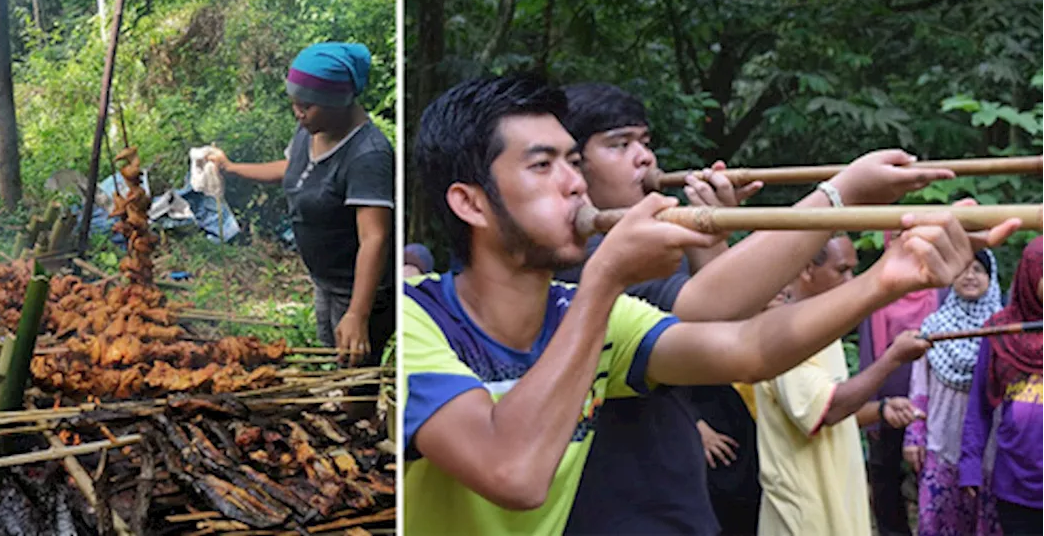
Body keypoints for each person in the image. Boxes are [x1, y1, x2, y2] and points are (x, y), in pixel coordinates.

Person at [401, 76, 1016, 535]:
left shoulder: (587, 311)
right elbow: (513, 473)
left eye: (571, 161)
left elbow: (748, 348)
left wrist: (890, 277)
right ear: (472, 204)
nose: (575, 182)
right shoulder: (416, 320)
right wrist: (606, 275)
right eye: (544, 165)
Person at [555, 81, 946, 534]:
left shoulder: (648, 246)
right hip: (623, 506)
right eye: (619, 145)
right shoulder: (588, 261)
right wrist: (840, 197)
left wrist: (713, 235)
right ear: (573, 169)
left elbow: (731, 325)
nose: (645, 157)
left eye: (644, 142)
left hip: (683, 495)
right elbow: (715, 313)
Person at [208, 42, 394, 366]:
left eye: (306, 105)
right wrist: (232, 167)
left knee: (354, 377)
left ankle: (357, 415)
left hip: (358, 290)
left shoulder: (368, 155)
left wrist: (357, 313)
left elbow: (374, 237)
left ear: (339, 101)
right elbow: (291, 170)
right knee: (334, 359)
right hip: (325, 279)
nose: (298, 112)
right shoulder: (311, 128)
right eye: (294, 103)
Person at [754, 235, 929, 536]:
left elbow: (821, 409)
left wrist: (880, 409)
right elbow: (828, 409)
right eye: (842, 270)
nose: (851, 280)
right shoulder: (786, 331)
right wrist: (892, 358)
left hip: (836, 504)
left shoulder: (821, 327)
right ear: (807, 269)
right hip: (806, 514)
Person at [905, 249, 1003, 536]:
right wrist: (915, 435)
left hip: (992, 447)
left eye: (978, 270)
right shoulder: (934, 327)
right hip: (940, 441)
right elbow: (919, 388)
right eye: (962, 269)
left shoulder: (1005, 328)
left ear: (991, 276)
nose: (970, 276)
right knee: (938, 523)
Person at [859, 231, 945, 536]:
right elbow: (869, 351)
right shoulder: (878, 288)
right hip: (886, 397)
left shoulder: (941, 287)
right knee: (885, 475)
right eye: (896, 238)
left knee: (930, 470)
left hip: (932, 401)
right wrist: (869, 404)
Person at [687, 287, 790, 535]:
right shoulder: (716, 325)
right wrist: (696, 425)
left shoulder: (789, 329)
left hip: (768, 446)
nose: (781, 290)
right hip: (722, 442)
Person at [960, 237, 1044, 535]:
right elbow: (979, 405)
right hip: (1015, 482)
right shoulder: (1001, 330)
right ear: (1030, 275)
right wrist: (970, 463)